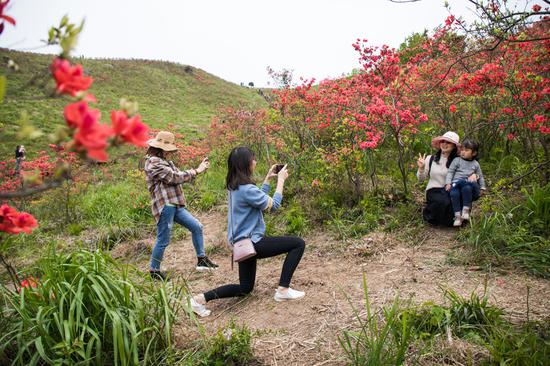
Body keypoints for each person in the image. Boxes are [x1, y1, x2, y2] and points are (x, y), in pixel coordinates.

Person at [190, 146, 306, 317]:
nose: (255, 162)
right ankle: (283, 290)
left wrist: (267, 179)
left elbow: (257, 198)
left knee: (245, 288)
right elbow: (273, 206)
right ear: (246, 164)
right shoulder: (246, 189)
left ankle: (199, 299)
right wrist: (281, 180)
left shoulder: (234, 187)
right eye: (253, 159)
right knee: (297, 244)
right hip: (253, 242)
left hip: (241, 244)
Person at [144, 131, 218, 280]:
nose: (170, 152)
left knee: (197, 227)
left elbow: (180, 176)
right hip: (166, 206)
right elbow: (175, 177)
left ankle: (201, 260)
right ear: (161, 148)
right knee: (163, 239)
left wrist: (197, 170)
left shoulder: (166, 162)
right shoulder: (153, 162)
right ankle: (154, 271)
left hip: (175, 205)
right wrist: (197, 170)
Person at [445, 139, 486, 227]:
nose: (463, 152)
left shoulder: (475, 164)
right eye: (462, 150)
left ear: (474, 153)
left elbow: (480, 176)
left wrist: (482, 187)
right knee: (454, 194)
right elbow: (450, 172)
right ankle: (457, 216)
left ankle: (466, 211)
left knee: (467, 188)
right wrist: (448, 183)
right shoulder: (457, 160)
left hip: (467, 184)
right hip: (456, 183)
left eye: (466, 150)